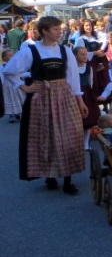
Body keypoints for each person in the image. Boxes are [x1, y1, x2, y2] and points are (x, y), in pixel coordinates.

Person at [3, 16, 88, 194]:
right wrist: (24, 86)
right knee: (46, 137)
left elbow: (73, 80)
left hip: (64, 97)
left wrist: (80, 101)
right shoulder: (30, 51)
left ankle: (67, 180)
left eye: (60, 29)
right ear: (44, 31)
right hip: (41, 99)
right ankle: (50, 175)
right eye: (56, 29)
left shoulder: (65, 51)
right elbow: (9, 71)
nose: (60, 32)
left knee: (69, 136)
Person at [73, 46, 101, 150]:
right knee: (78, 119)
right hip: (77, 94)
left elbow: (91, 82)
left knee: (89, 119)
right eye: (82, 54)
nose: (85, 56)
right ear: (75, 56)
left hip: (88, 94)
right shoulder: (73, 68)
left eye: (86, 54)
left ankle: (86, 142)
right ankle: (77, 141)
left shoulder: (89, 69)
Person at [1, 49, 25, 123]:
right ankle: (11, 115)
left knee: (19, 98)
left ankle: (19, 113)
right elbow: (1, 76)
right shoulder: (3, 66)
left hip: (17, 83)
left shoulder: (17, 64)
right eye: (10, 55)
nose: (12, 56)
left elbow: (22, 72)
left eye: (13, 55)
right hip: (8, 85)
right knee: (10, 98)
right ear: (4, 58)